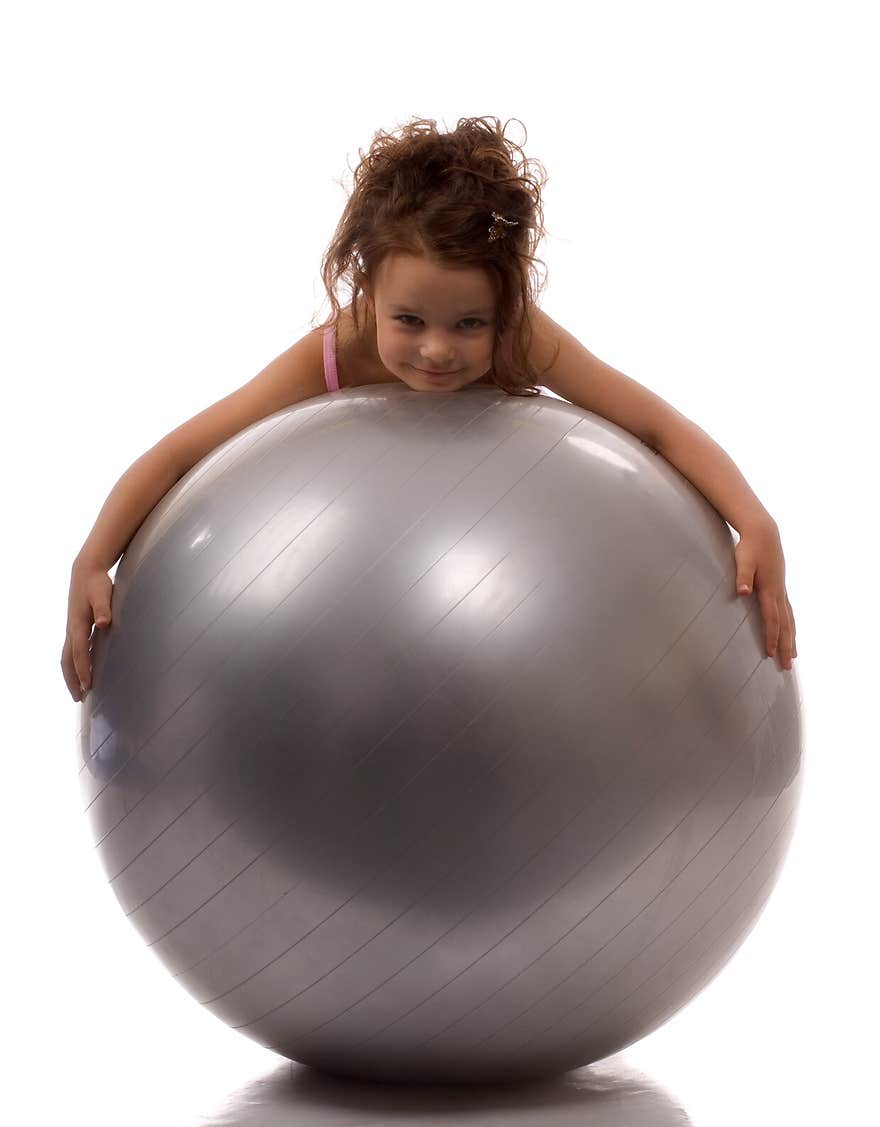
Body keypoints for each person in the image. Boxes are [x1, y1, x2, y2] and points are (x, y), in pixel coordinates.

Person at [61, 115, 797, 702]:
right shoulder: (342, 347)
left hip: (524, 617)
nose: (438, 350)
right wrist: (95, 556)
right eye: (409, 320)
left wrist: (753, 518)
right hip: (354, 611)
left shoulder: (522, 338)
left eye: (469, 324)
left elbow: (654, 426)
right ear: (369, 295)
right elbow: (183, 454)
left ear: (504, 306)